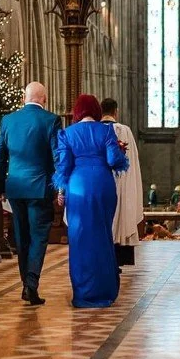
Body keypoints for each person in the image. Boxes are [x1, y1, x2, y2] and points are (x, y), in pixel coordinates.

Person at [53, 93, 128, 308]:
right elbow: (114, 160)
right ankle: (105, 292)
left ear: (77, 112)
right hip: (103, 185)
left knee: (79, 239)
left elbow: (64, 167)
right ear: (96, 111)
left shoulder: (67, 134)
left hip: (77, 187)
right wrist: (122, 157)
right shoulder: (106, 130)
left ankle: (83, 294)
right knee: (103, 235)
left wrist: (61, 191)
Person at [0, 81, 61, 306]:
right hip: (40, 188)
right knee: (39, 237)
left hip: (16, 189)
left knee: (22, 238)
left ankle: (26, 284)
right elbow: (57, 157)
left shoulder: (9, 121)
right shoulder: (51, 120)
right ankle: (30, 285)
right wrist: (60, 186)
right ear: (45, 99)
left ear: (24, 98)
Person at [100, 97, 143, 268]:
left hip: (101, 183)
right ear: (116, 112)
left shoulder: (94, 130)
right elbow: (132, 162)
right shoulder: (124, 131)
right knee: (120, 212)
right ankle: (118, 258)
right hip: (121, 183)